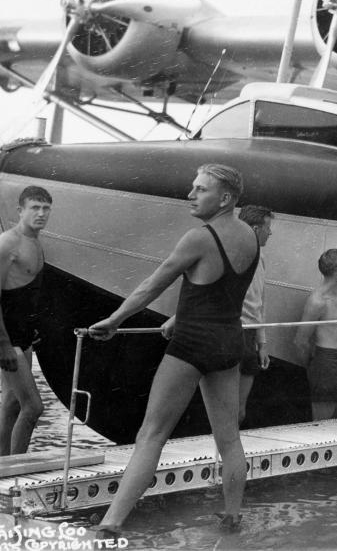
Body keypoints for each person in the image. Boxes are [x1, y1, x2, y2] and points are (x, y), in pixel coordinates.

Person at [90, 164, 258, 534]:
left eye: (200, 190)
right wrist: (180, 315)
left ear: (225, 198)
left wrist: (114, 320)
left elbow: (152, 285)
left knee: (151, 435)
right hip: (229, 341)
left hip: (193, 344)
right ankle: (232, 516)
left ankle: (111, 523)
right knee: (228, 437)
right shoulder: (248, 234)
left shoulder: (199, 237)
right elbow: (218, 288)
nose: (190, 195)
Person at [0, 185, 52, 455]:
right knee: (33, 407)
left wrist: (33, 326)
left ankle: (2, 465)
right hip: (7, 338)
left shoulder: (35, 242)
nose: (41, 213)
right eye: (35, 207)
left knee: (11, 403)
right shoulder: (8, 243)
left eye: (46, 208)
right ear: (20, 211)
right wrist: (4, 345)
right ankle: (15, 470)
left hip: (23, 335)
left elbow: (23, 292)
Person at [295, 249, 337, 421]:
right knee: (322, 428)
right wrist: (314, 367)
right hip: (326, 361)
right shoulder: (318, 300)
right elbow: (300, 340)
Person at [237, 205, 273, 426]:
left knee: (240, 410)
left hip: (249, 336)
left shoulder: (259, 258)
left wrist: (262, 343)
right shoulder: (235, 256)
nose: (270, 233)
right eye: (268, 228)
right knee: (228, 408)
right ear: (255, 228)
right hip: (233, 332)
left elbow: (260, 303)